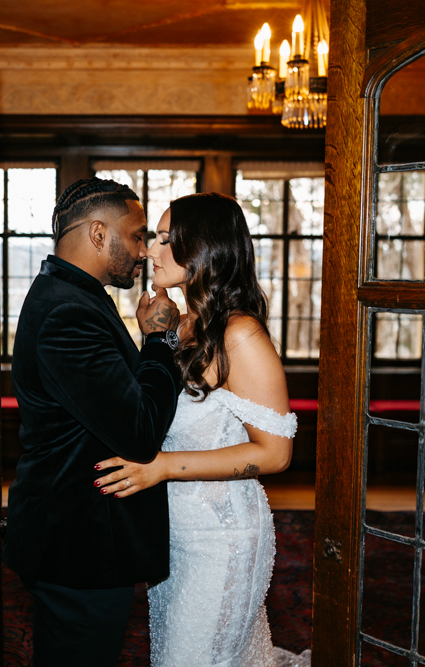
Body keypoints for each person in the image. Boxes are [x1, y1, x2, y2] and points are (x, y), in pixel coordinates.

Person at [94, 192, 312, 667]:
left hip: (222, 538)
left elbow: (276, 454)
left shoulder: (241, 335)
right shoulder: (181, 324)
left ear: (205, 250)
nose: (151, 249)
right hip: (172, 534)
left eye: (167, 239)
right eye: (154, 238)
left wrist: (163, 467)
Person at [3, 178, 183, 666]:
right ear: (100, 234)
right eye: (138, 235)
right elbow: (139, 433)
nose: (145, 251)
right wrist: (160, 342)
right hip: (78, 543)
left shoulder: (73, 294)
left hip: (78, 537)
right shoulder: (68, 311)